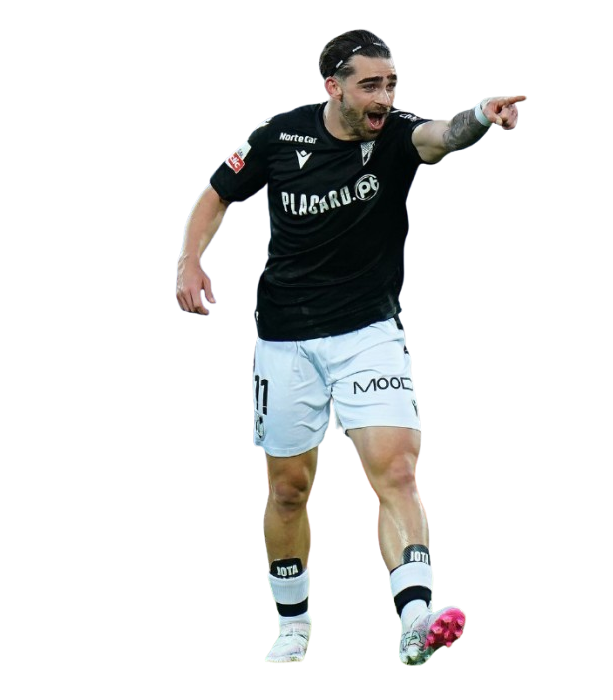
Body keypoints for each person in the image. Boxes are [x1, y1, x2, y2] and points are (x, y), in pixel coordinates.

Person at [176, 27, 525, 665]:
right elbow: (216, 195)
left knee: (397, 471)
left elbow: (442, 136)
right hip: (285, 338)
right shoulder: (279, 135)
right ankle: (293, 624)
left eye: (391, 84)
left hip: (369, 334)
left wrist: (480, 115)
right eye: (370, 85)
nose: (384, 98)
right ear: (333, 87)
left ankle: (415, 618)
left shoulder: (394, 136)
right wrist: (189, 262)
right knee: (289, 487)